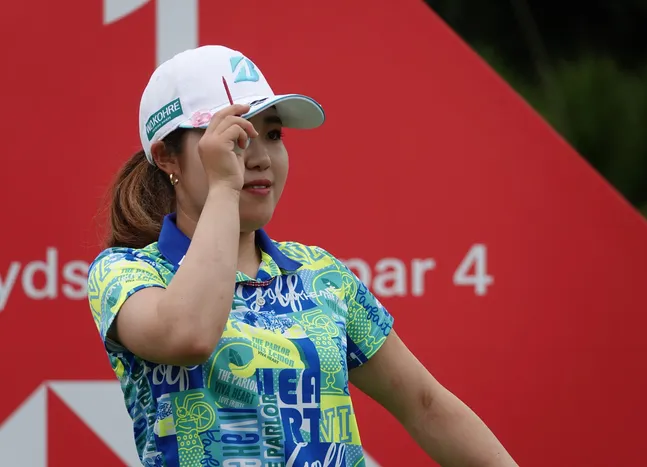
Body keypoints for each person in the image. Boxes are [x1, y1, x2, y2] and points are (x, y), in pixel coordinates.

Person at [87, 44, 518, 467]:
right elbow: (189, 336)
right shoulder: (126, 272)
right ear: (167, 157)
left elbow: (424, 404)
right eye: (235, 139)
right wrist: (224, 189)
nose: (260, 157)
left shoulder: (321, 273)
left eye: (273, 135)